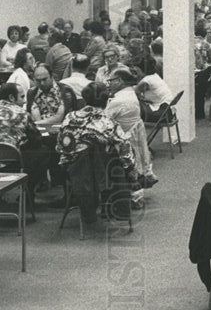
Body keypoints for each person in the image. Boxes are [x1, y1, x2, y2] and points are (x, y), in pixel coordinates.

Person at [55, 82, 144, 218]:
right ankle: (112, 208)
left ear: (85, 99)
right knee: (117, 164)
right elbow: (125, 151)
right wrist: (132, 173)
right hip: (101, 175)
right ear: (107, 100)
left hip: (72, 173)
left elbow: (59, 147)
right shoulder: (108, 123)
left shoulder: (69, 117)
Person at [104, 67, 157, 188]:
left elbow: (103, 121)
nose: (109, 84)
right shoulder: (130, 93)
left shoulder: (118, 100)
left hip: (121, 143)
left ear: (119, 81)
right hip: (131, 139)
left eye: (110, 81)